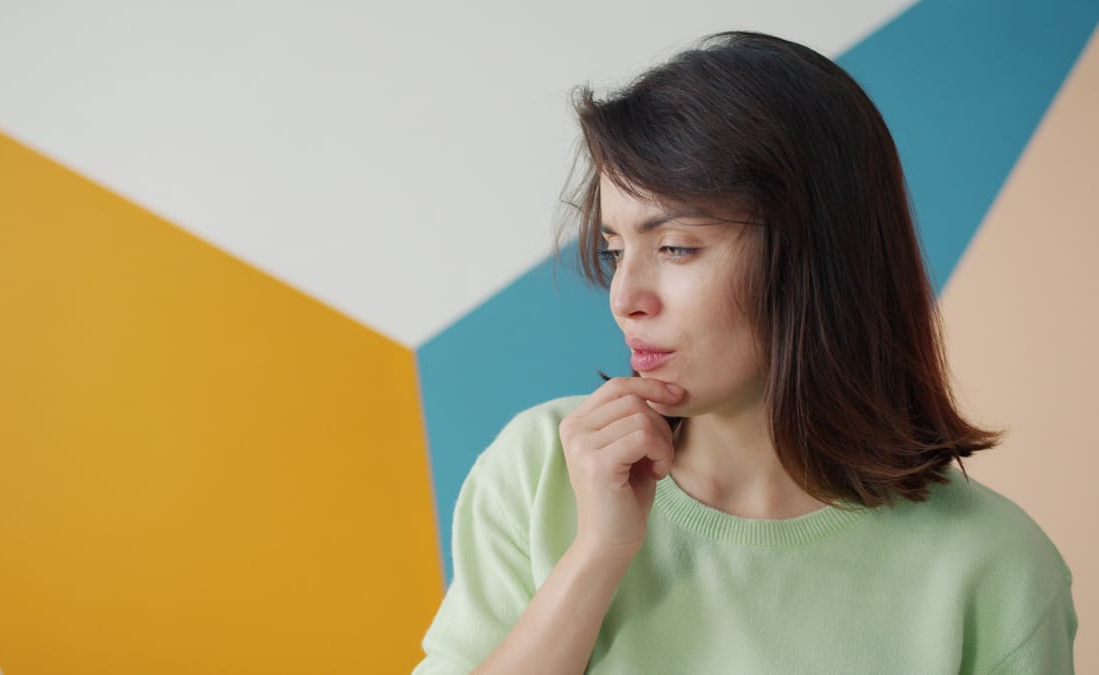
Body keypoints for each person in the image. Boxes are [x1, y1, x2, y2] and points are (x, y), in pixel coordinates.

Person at [412, 31, 1077, 674]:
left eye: (675, 247)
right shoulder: (542, 471)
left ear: (817, 257)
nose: (624, 296)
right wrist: (596, 555)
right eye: (615, 251)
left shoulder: (995, 569)